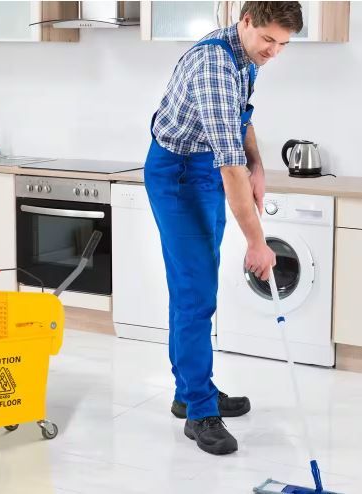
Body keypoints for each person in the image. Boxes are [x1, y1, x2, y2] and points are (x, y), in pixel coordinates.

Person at [144, 2, 303, 456]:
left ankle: (190, 391)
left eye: (283, 44)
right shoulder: (214, 65)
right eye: (269, 40)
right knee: (196, 293)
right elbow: (228, 168)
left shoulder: (245, 54)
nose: (274, 52)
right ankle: (199, 411)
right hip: (176, 174)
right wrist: (257, 243)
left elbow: (242, 116)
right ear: (246, 20)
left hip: (203, 168)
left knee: (194, 287)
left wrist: (259, 164)